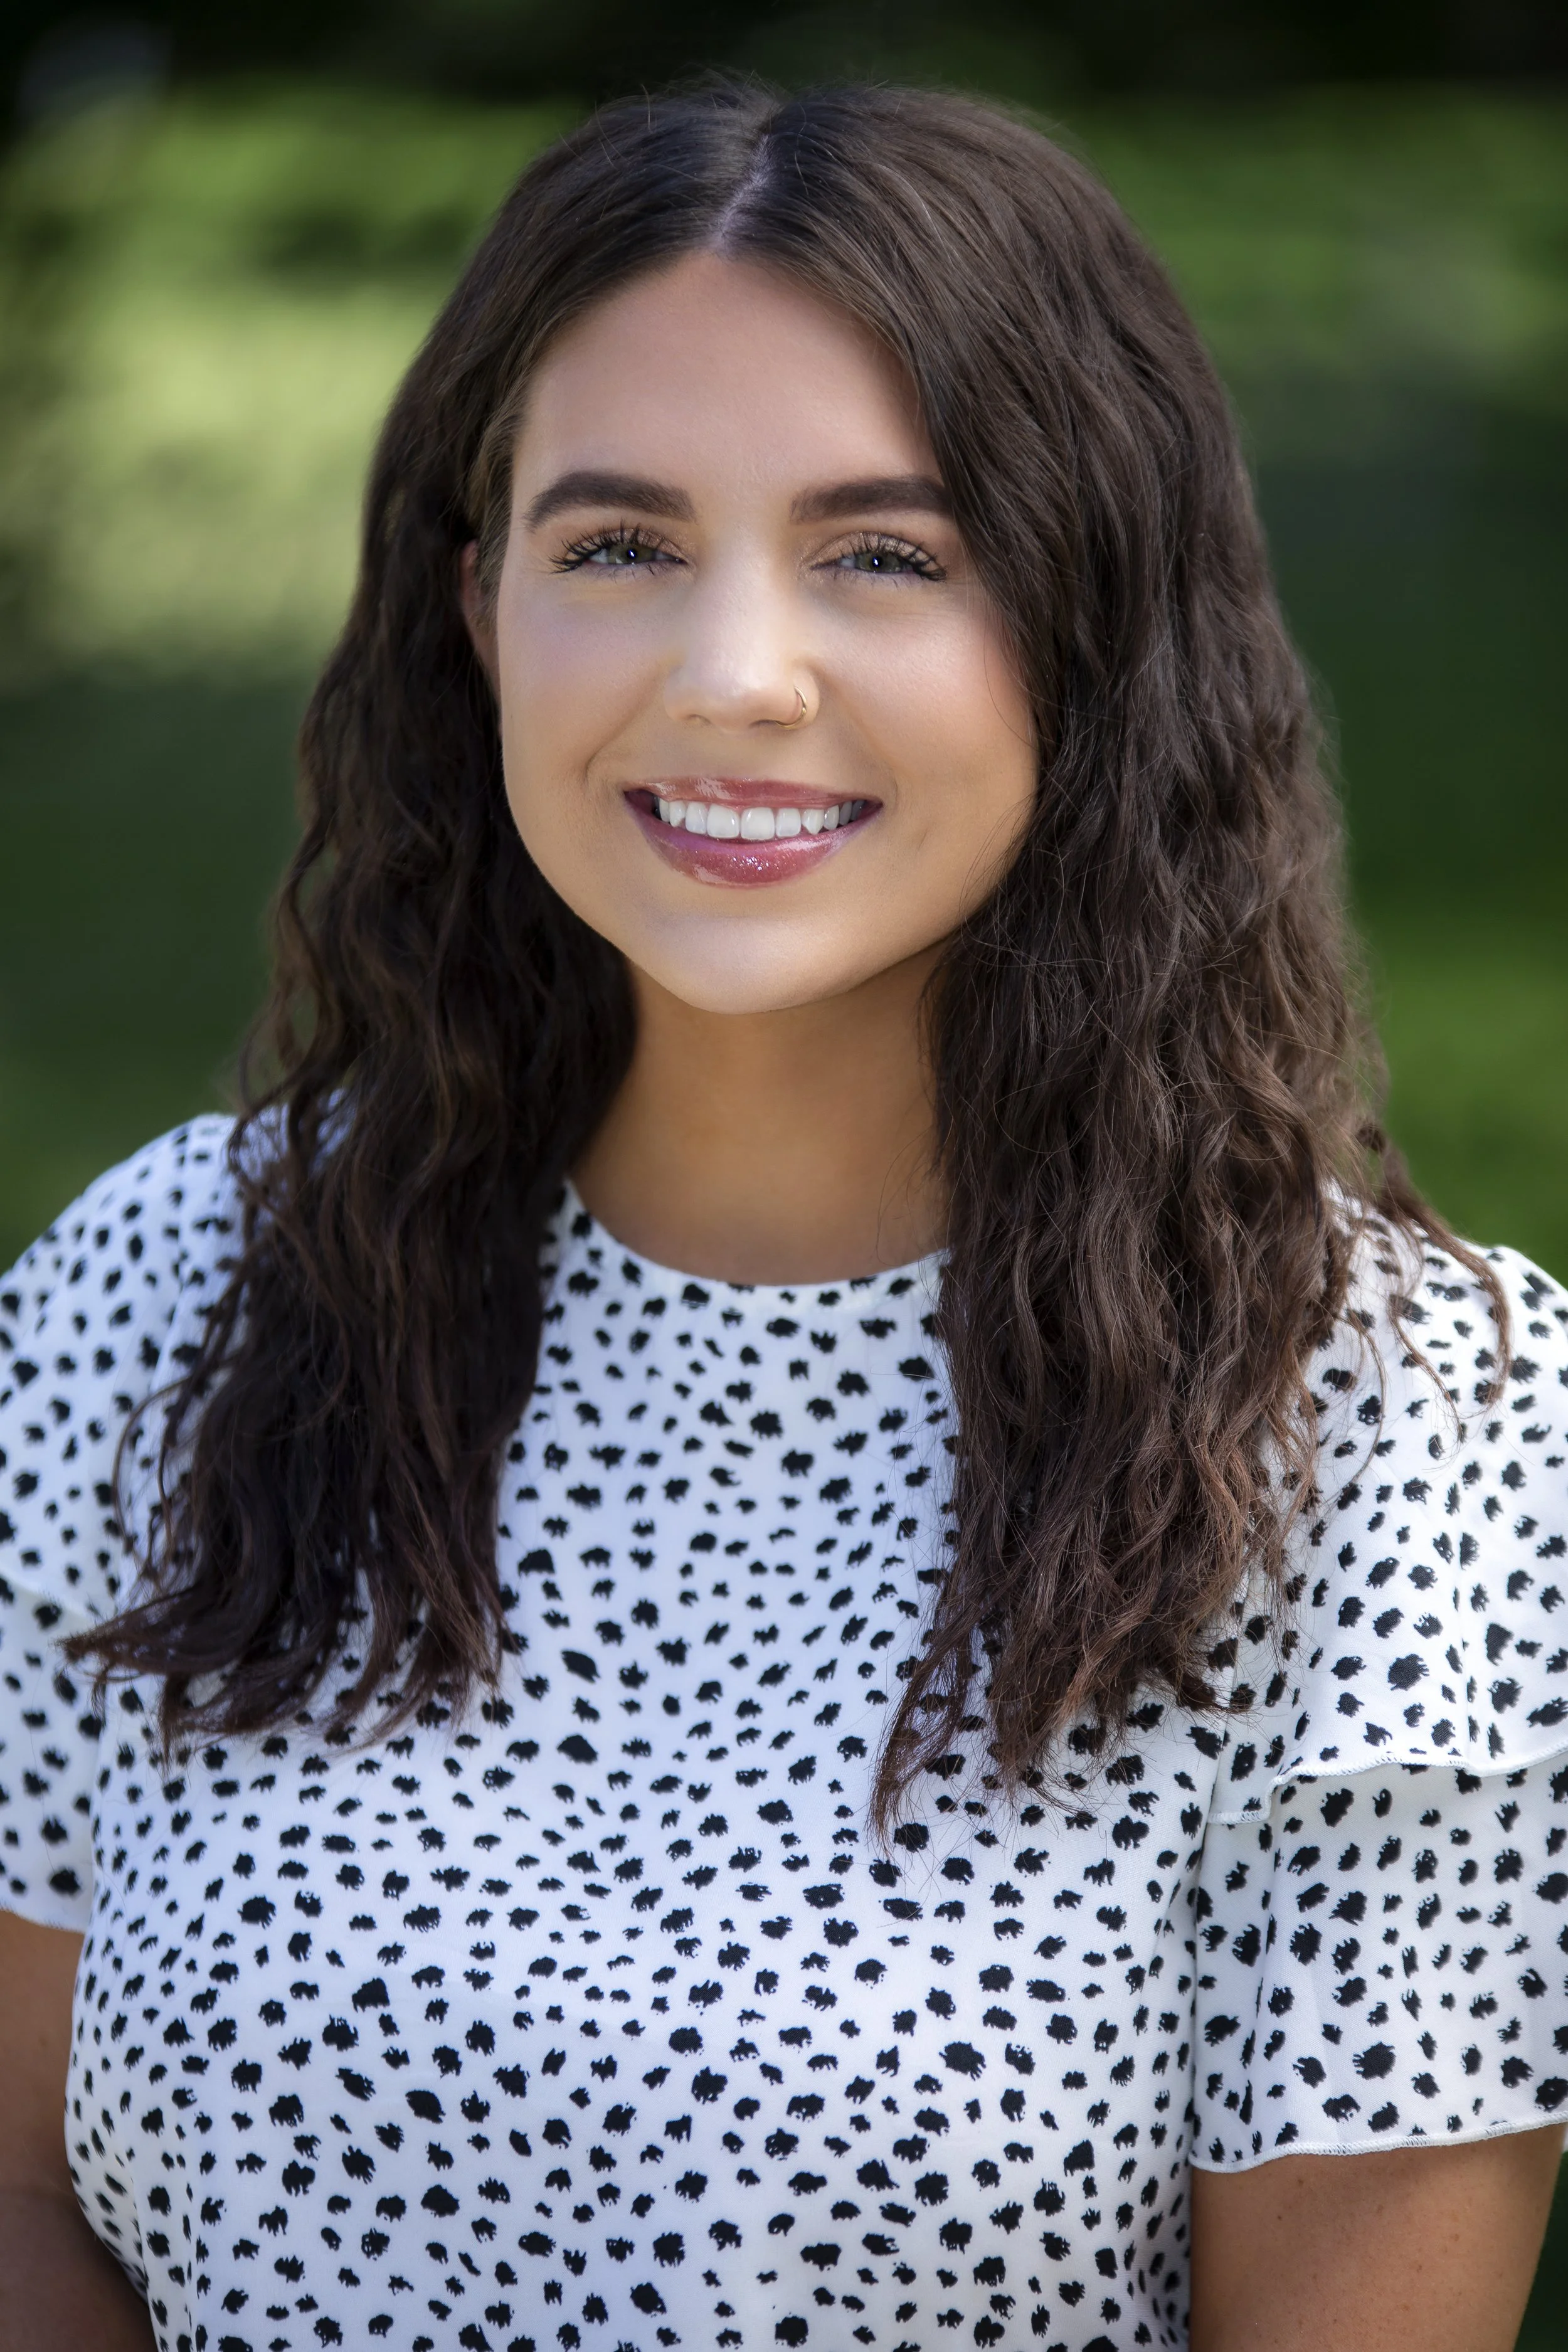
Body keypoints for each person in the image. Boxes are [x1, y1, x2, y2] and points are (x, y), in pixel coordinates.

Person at [0, 80, 1564, 2352]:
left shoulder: (1411, 1438)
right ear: (481, 605)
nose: (732, 670)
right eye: (617, 542)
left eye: (890, 554)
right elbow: (20, 2182)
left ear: (1095, 625)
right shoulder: (168, 1298)